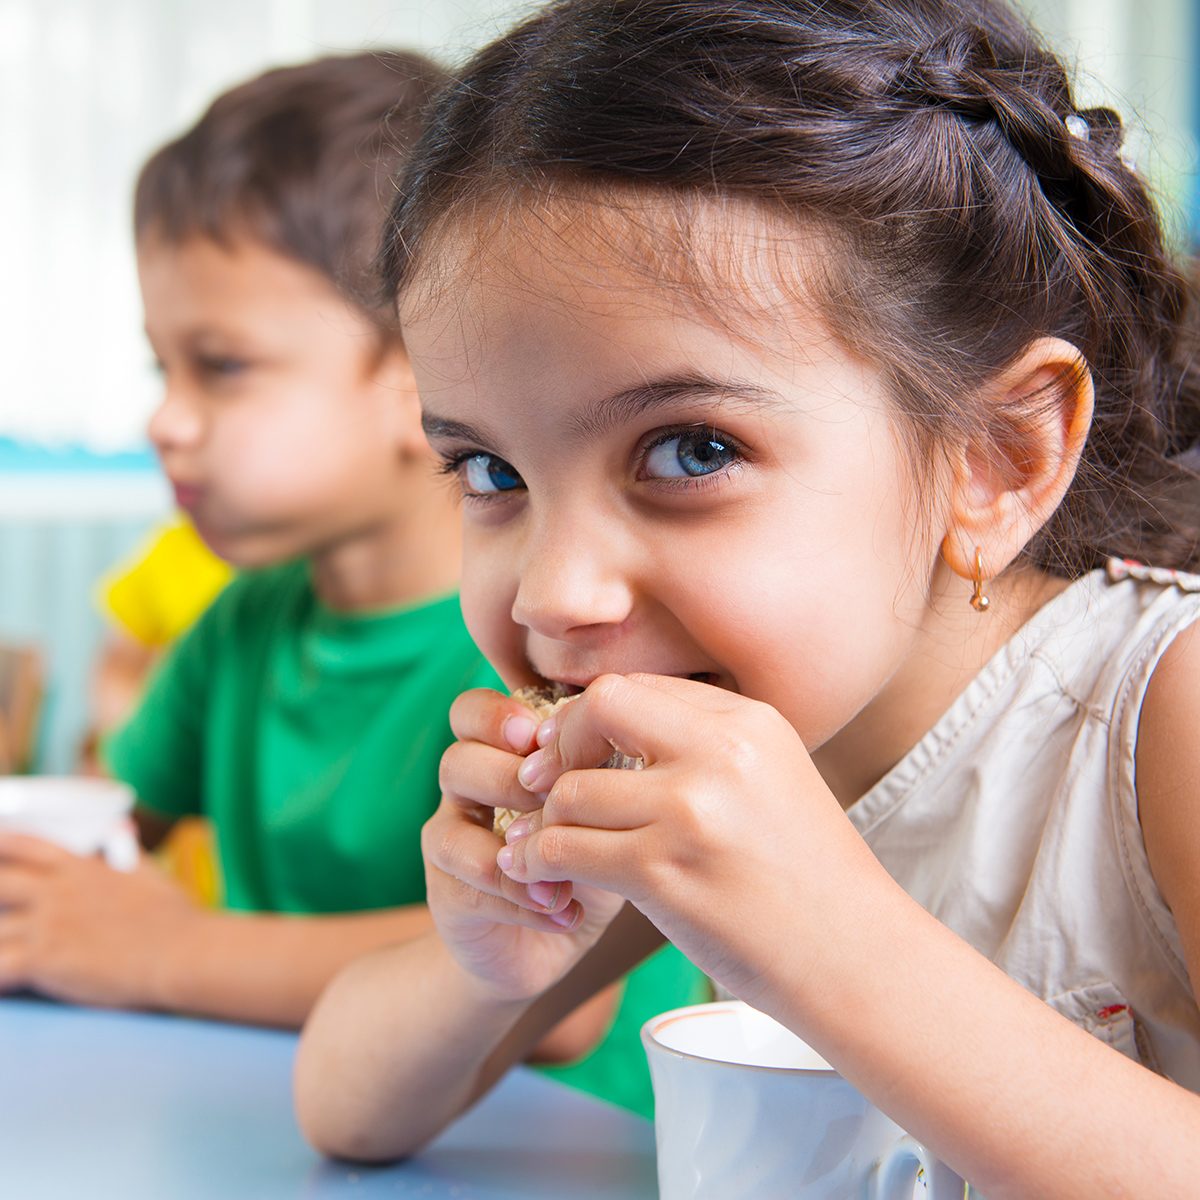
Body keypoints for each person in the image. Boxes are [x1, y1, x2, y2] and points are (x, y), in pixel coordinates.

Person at [294, 0, 1200, 1190]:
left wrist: (827, 939)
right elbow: (345, 1110)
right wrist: (488, 960)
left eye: (691, 452)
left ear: (996, 459)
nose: (558, 595)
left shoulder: (1159, 713)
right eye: (492, 472)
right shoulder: (686, 768)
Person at [0, 49, 708, 1109]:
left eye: (222, 366)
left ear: (421, 373)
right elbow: (100, 825)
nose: (167, 421)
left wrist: (163, 951)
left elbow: (559, 993)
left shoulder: (554, 643)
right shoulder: (244, 623)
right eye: (163, 369)